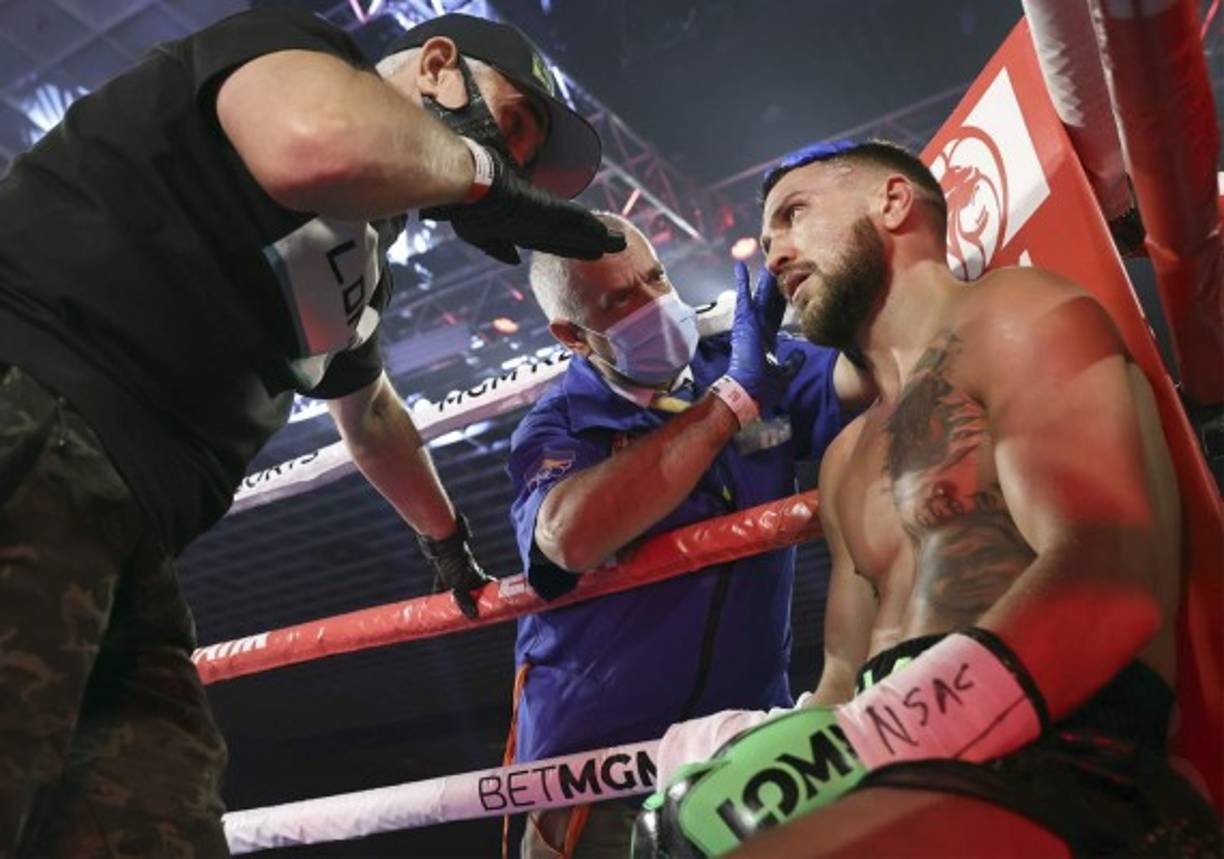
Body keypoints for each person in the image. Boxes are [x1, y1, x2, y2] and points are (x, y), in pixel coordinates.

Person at [0, 8, 624, 855]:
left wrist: (447, 544)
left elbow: (368, 415)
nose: (510, 159)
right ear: (439, 65)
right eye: (510, 123)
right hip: (31, 416)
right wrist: (477, 168)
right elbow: (311, 143)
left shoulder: (362, 256)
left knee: (152, 817)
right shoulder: (298, 51)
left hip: (129, 526)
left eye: (517, 154)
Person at [635, 141, 1222, 857]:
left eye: (793, 215)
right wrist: (761, 753)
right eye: (765, 240)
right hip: (897, 767)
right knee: (677, 835)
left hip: (1068, 758)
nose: (775, 254)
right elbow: (843, 681)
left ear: (892, 202)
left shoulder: (1011, 312)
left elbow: (1112, 571)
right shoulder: (847, 457)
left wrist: (873, 740)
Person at [504, 211, 874, 857]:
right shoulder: (560, 423)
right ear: (572, 334)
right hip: (595, 768)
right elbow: (569, 538)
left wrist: (847, 284)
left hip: (746, 742)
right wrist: (728, 405)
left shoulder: (752, 362)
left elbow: (868, 376)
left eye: (655, 277)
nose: (655, 304)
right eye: (622, 299)